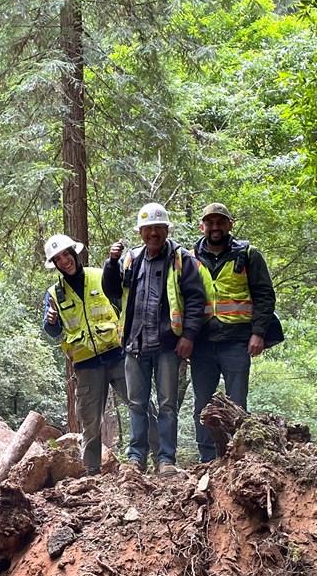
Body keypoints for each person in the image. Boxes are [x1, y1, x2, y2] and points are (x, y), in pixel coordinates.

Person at [102, 202, 206, 476]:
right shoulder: (131, 259)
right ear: (141, 232)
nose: (153, 234)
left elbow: (196, 299)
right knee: (136, 404)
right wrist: (111, 263)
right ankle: (137, 458)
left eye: (158, 228)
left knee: (167, 405)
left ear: (166, 229)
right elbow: (112, 289)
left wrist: (188, 335)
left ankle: (166, 460)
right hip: (135, 345)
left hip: (168, 347)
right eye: (147, 229)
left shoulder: (181, 259)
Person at [189, 202, 276, 463]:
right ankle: (207, 460)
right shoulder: (189, 257)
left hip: (237, 342)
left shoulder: (248, 254)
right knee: (202, 407)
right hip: (202, 344)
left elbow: (264, 295)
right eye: (210, 222)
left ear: (230, 224)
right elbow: (181, 298)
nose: (215, 227)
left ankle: (240, 458)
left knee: (237, 405)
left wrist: (258, 333)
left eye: (220, 222)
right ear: (202, 225)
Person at [41, 233, 129, 475]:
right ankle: (92, 472)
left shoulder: (101, 276)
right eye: (58, 259)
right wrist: (51, 322)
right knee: (90, 422)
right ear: (55, 265)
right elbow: (52, 330)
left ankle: (157, 458)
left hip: (117, 355)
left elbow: (123, 307)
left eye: (66, 255)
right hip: (86, 365)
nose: (64, 261)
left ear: (74, 254)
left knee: (141, 405)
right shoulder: (54, 294)